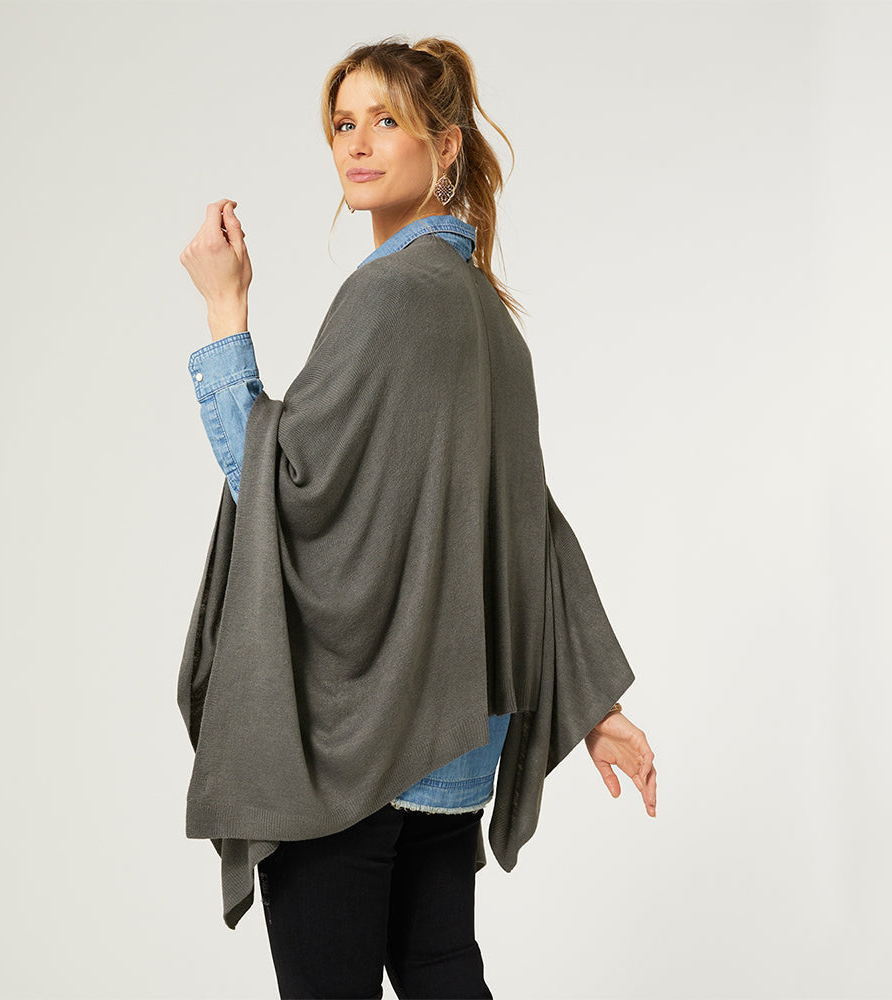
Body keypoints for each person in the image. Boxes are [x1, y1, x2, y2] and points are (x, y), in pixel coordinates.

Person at [178, 35, 657, 1000]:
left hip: (355, 742)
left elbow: (280, 489)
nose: (357, 144)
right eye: (343, 124)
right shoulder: (483, 313)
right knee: (441, 971)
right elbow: (529, 524)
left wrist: (225, 313)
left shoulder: (391, 294)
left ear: (445, 147)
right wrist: (593, 702)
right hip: (454, 736)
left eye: (385, 120)